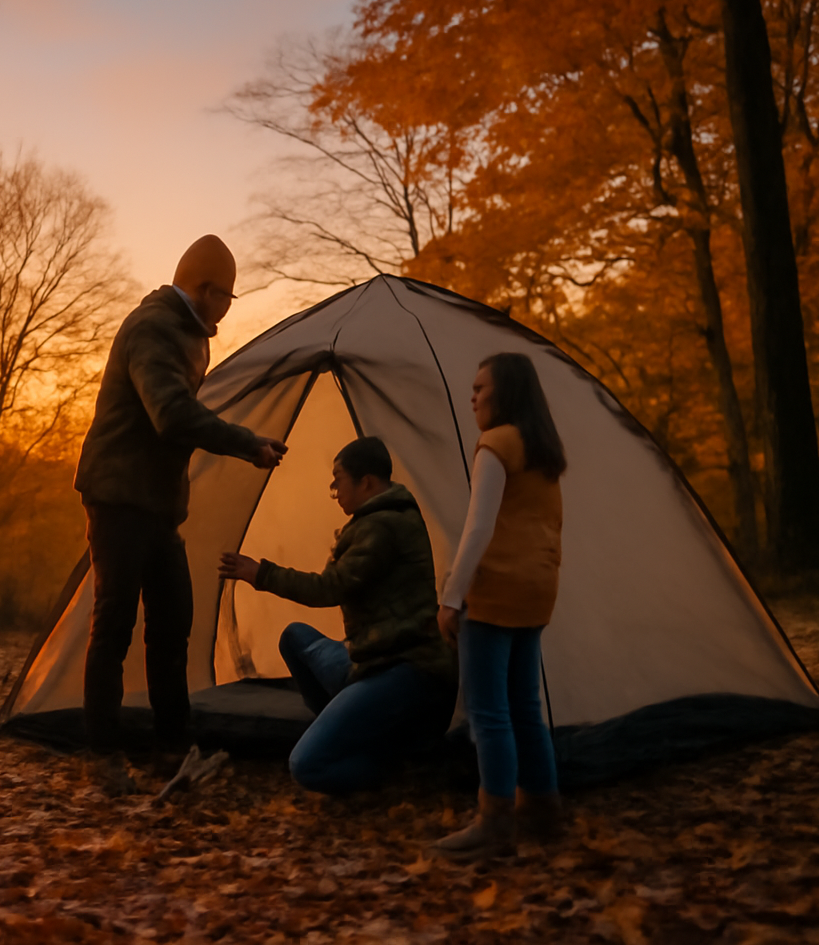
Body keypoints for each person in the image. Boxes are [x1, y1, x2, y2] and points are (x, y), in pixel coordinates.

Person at [74, 233, 287, 763]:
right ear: (208, 290)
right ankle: (103, 753)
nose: (226, 311)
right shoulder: (153, 328)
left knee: (172, 622)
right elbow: (169, 412)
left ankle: (173, 746)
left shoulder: (191, 332)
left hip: (158, 505)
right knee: (115, 622)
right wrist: (246, 442)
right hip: (119, 497)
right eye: (227, 298)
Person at [218, 437, 457, 794]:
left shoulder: (382, 526)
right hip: (370, 659)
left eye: (339, 478)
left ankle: (393, 769)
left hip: (404, 670)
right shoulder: (381, 518)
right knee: (295, 637)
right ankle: (352, 726)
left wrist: (260, 574)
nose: (334, 489)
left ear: (367, 483)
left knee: (306, 765)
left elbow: (330, 588)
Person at [432, 352, 566, 860]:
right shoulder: (542, 449)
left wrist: (450, 596)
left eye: (480, 388)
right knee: (525, 706)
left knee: (488, 710)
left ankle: (494, 822)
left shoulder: (495, 445)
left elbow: (478, 527)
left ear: (505, 393)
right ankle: (542, 808)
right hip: (537, 587)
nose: (472, 396)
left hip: (495, 590)